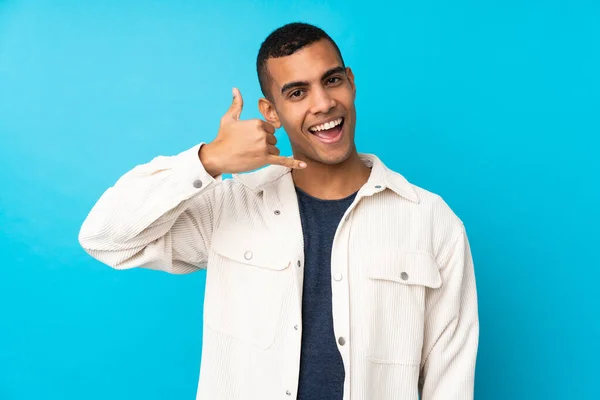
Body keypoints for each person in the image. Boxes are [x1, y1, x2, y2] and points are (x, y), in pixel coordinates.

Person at [79, 22, 479, 400]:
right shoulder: (228, 207)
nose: (323, 104)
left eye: (332, 80)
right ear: (271, 112)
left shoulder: (430, 220)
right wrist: (210, 160)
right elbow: (105, 238)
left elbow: (450, 379)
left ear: (351, 82)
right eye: (297, 92)